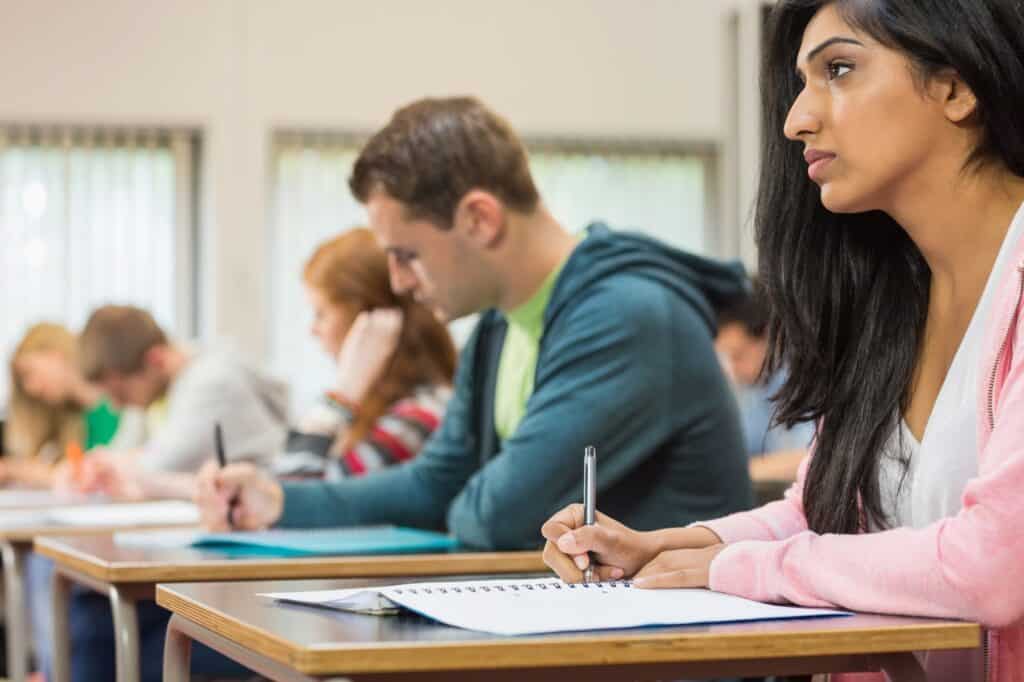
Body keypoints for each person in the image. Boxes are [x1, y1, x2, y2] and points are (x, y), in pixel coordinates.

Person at [541, 2, 1024, 680]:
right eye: (801, 83)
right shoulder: (889, 305)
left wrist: (735, 567)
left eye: (840, 69)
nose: (798, 119)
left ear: (955, 86)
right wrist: (669, 548)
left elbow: (993, 566)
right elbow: (821, 515)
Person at [195, 96, 753, 548]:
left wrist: (460, 497)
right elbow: (434, 483)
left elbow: (501, 518)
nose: (398, 282)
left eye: (407, 255)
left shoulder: (628, 318)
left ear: (480, 220)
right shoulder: (499, 324)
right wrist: (279, 500)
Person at [272, 227, 456, 481]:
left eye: (321, 314)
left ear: (369, 320)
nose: (313, 330)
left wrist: (344, 390)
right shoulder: (374, 406)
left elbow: (293, 490)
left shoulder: (421, 415)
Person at [69, 305, 289, 500]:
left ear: (155, 359)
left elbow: (157, 466)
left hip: (269, 514)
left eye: (122, 394)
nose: (118, 406)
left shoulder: (211, 382)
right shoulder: (166, 388)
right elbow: (133, 454)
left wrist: (110, 465)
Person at [4, 322, 133, 487]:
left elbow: (104, 477)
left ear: (55, 355)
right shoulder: (72, 421)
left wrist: (19, 470)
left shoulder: (123, 403)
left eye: (30, 373)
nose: (31, 388)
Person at [714, 282, 813, 482]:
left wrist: (738, 472)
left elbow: (811, 460)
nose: (732, 369)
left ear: (770, 336)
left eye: (738, 355)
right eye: (725, 358)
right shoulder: (755, 390)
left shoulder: (807, 380)